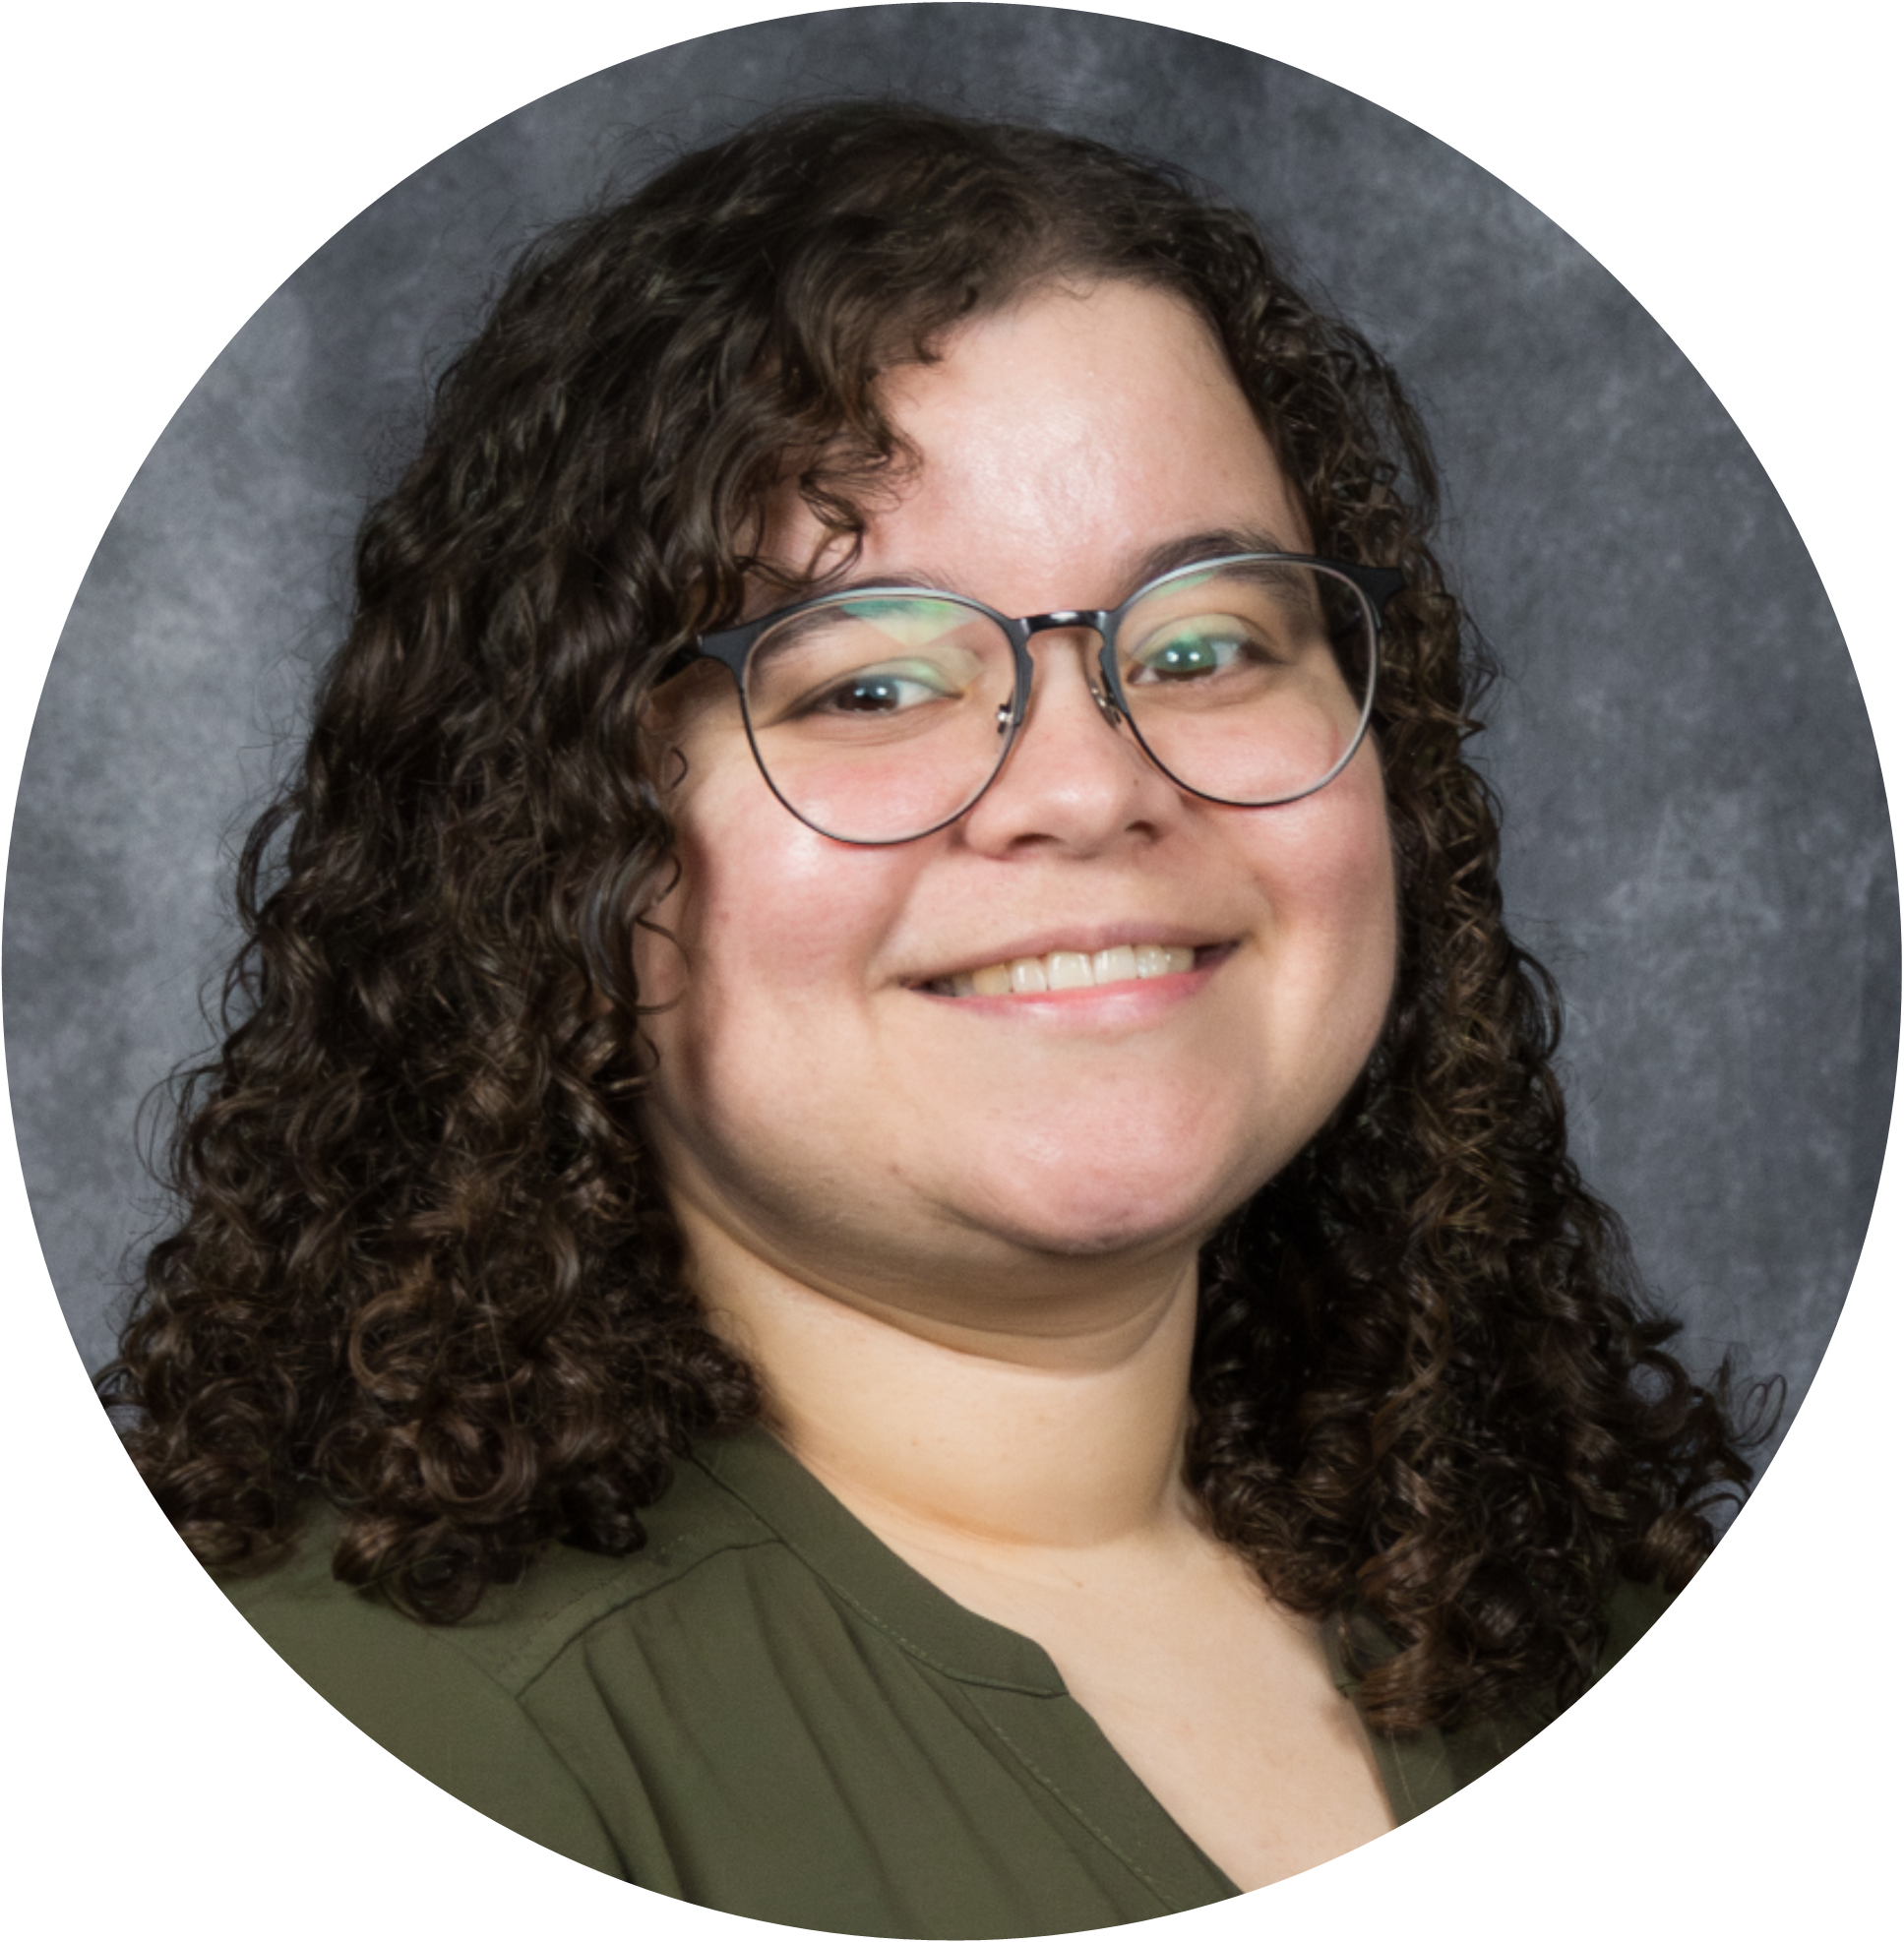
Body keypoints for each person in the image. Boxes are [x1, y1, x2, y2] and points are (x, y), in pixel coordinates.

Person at [95, 100, 1768, 1925]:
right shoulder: (425, 1719)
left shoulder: (1569, 1605)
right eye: (874, 679)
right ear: (558, 844)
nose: (1086, 785)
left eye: (1203, 645)